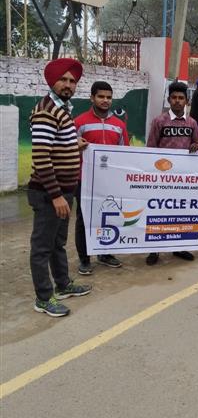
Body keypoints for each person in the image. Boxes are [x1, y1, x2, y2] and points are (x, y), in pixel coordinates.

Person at [28, 58, 92, 317]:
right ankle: (43, 298)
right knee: (42, 247)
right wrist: (55, 196)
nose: (68, 85)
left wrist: (74, 145)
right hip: (48, 193)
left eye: (72, 81)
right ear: (52, 81)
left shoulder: (62, 109)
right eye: (63, 80)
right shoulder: (46, 111)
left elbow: (55, 145)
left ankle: (63, 285)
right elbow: (41, 156)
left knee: (57, 243)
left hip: (63, 191)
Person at [74, 81, 130, 275]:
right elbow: (71, 149)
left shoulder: (119, 125)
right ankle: (84, 259)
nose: (105, 100)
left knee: (108, 216)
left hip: (110, 181)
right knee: (84, 219)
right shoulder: (80, 122)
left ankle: (105, 254)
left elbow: (125, 153)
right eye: (101, 96)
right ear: (92, 98)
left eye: (108, 97)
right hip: (84, 180)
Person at [145, 81, 198, 265]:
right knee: (158, 213)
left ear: (187, 101)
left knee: (180, 213)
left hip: (183, 180)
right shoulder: (159, 121)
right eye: (174, 98)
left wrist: (197, 146)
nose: (177, 101)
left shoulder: (192, 123)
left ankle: (178, 247)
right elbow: (151, 148)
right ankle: (154, 250)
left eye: (181, 98)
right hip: (162, 178)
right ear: (169, 100)